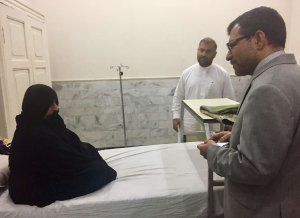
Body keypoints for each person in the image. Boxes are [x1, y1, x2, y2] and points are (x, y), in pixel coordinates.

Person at [197, 7, 300, 218]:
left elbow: (254, 168)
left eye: (231, 45)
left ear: (258, 39)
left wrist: (212, 153)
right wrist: (236, 135)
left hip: (264, 208)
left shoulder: (268, 87)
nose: (227, 55)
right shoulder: (291, 74)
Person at [9, 84, 117, 207]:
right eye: (50, 104)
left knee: (89, 149)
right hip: (34, 188)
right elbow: (62, 159)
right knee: (101, 171)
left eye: (56, 102)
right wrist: (88, 162)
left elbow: (68, 141)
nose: (56, 108)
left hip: (52, 172)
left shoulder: (47, 121)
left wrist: (85, 154)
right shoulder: (30, 132)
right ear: (37, 106)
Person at [172, 37, 235, 137]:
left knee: (212, 151)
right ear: (198, 50)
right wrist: (176, 116)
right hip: (190, 125)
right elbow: (178, 96)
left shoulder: (222, 74)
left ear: (215, 54)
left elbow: (229, 100)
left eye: (208, 51)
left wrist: (229, 122)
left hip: (215, 126)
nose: (203, 54)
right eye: (201, 50)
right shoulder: (187, 73)